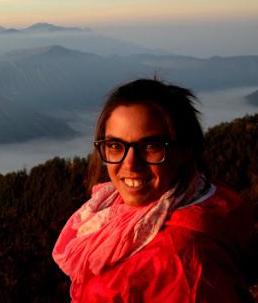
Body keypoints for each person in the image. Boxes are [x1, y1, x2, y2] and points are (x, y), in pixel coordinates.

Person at [52, 78, 252, 302]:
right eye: (116, 146)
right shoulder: (197, 196)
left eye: (150, 147)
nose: (130, 164)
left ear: (185, 151)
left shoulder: (180, 259)